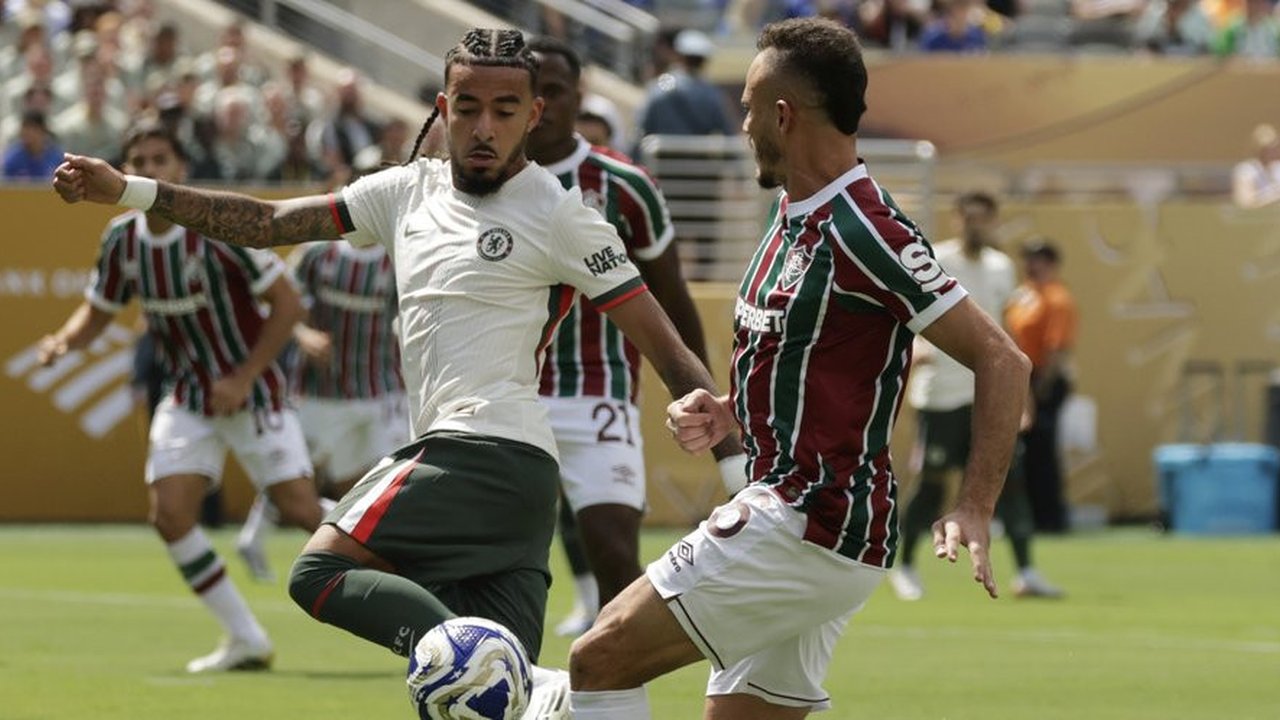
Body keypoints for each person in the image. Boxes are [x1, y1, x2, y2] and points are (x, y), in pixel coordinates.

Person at [52, 27, 725, 717]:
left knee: (319, 572)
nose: (484, 127)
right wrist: (131, 190)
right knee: (496, 708)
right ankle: (520, 673)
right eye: (467, 107)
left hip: (482, 452)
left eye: (504, 109)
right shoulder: (405, 191)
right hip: (516, 485)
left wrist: (734, 472)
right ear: (442, 108)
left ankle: (499, 666)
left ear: (535, 115)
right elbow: (265, 222)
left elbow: (666, 347)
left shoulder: (563, 217)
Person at [566, 18, 1030, 719]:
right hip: (807, 519)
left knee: (597, 658)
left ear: (783, 115)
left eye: (749, 106)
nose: (743, 123)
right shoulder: (789, 215)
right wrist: (730, 410)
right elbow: (808, 355)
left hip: (810, 519)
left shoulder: (865, 228)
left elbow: (1003, 358)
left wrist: (975, 505)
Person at [39, 121, 326, 673]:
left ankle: (402, 544)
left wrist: (244, 376)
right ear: (122, 171)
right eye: (138, 159)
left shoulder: (218, 230)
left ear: (181, 169)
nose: (149, 169)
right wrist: (62, 340)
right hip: (188, 395)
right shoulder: (122, 238)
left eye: (160, 158)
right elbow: (98, 312)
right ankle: (246, 638)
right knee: (170, 514)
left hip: (253, 393)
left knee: (300, 510)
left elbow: (288, 304)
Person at [524, 35, 748, 637]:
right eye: (530, 92)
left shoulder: (623, 184)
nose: (541, 104)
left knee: (613, 552)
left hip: (599, 391)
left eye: (555, 90)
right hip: (507, 397)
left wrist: (708, 400)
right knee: (501, 560)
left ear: (579, 96)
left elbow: (672, 297)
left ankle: (618, 694)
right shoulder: (482, 179)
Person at [889, 192, 1063, 602]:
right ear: (957, 220)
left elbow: (1007, 328)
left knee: (1011, 480)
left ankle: (1026, 572)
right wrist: (917, 348)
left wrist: (1024, 395)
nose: (976, 226)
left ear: (994, 221)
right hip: (941, 394)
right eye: (969, 219)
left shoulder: (1002, 268)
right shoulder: (935, 259)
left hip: (987, 393)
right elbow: (906, 314)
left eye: (984, 219)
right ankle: (907, 567)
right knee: (931, 484)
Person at [235, 236, 407, 583]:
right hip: (320, 390)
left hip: (382, 389)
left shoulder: (399, 255)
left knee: (390, 478)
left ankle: (389, 555)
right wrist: (302, 335)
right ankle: (253, 538)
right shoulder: (316, 254)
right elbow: (281, 306)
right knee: (295, 473)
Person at [1006, 239, 1077, 534]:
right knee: (1026, 451)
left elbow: (1057, 348)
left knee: (1042, 450)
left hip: (1041, 379)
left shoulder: (1057, 298)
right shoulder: (1023, 295)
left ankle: (1050, 518)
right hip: (1022, 377)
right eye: (1029, 259)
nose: (1032, 266)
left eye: (1039, 260)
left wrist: (1041, 388)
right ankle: (1029, 516)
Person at [1232, 123, 1280, 209]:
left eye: (1276, 146)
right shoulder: (1246, 170)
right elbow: (1245, 202)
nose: (1275, 151)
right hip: (1256, 218)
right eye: (1268, 148)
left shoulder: (1278, 168)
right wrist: (1274, 197)